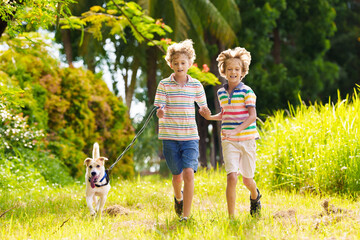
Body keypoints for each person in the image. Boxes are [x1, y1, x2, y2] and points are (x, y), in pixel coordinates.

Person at [199, 47, 262, 218]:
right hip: (228, 140)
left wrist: (237, 130)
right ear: (224, 71)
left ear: (242, 72)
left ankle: (255, 196)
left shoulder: (247, 91)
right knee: (232, 177)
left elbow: (252, 116)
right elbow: (225, 114)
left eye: (237, 69)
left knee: (247, 180)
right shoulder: (221, 92)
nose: (233, 72)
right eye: (229, 69)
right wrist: (210, 117)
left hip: (247, 139)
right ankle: (231, 217)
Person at [154, 39, 208, 222]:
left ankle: (186, 215)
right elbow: (158, 107)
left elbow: (203, 107)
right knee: (176, 177)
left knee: (188, 173)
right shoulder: (164, 84)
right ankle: (178, 198)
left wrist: (206, 111)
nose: (179, 66)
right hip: (169, 137)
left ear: (190, 64)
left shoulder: (196, 85)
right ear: (170, 64)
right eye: (176, 63)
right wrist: (160, 112)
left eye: (183, 63)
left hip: (190, 136)